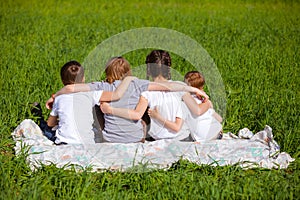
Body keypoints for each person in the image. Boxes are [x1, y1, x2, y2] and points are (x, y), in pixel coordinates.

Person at [47, 56, 208, 143]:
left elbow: (71, 88)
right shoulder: (137, 83)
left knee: (96, 105)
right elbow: (167, 87)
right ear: (128, 72)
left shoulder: (102, 86)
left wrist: (54, 96)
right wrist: (192, 88)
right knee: (143, 111)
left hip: (110, 139)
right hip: (137, 139)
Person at [101, 50, 212, 141]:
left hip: (156, 138)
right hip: (181, 137)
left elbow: (137, 114)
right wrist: (208, 103)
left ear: (148, 69)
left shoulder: (145, 91)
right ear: (168, 69)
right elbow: (197, 111)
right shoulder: (180, 87)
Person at [35, 60, 136, 145]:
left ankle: (37, 115)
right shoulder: (92, 93)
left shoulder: (60, 98)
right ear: (83, 78)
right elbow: (116, 95)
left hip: (65, 143)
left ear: (62, 80)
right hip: (87, 143)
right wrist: (128, 81)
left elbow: (50, 123)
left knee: (46, 128)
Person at [182, 71, 223, 141]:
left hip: (199, 137)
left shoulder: (185, 100)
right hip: (215, 133)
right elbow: (219, 119)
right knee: (214, 119)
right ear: (202, 87)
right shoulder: (204, 101)